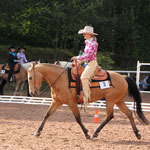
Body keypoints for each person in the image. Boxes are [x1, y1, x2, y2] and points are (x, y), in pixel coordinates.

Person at [71, 26, 98, 108]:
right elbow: (84, 55)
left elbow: (89, 55)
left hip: (91, 63)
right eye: (83, 34)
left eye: (85, 34)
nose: (84, 35)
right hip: (85, 62)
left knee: (84, 78)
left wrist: (78, 58)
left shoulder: (93, 44)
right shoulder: (87, 43)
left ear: (90, 34)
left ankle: (87, 97)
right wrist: (78, 58)